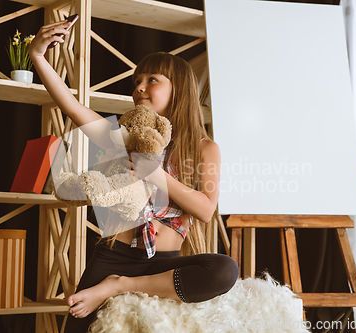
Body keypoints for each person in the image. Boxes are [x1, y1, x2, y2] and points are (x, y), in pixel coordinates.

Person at [29, 19, 239, 332]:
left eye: (152, 79)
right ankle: (113, 280)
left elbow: (206, 210)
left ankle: (118, 286)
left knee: (224, 269)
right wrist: (38, 56)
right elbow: (73, 107)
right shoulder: (124, 139)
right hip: (115, 255)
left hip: (165, 262)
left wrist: (155, 174)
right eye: (136, 80)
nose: (138, 87)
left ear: (178, 89)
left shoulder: (206, 148)